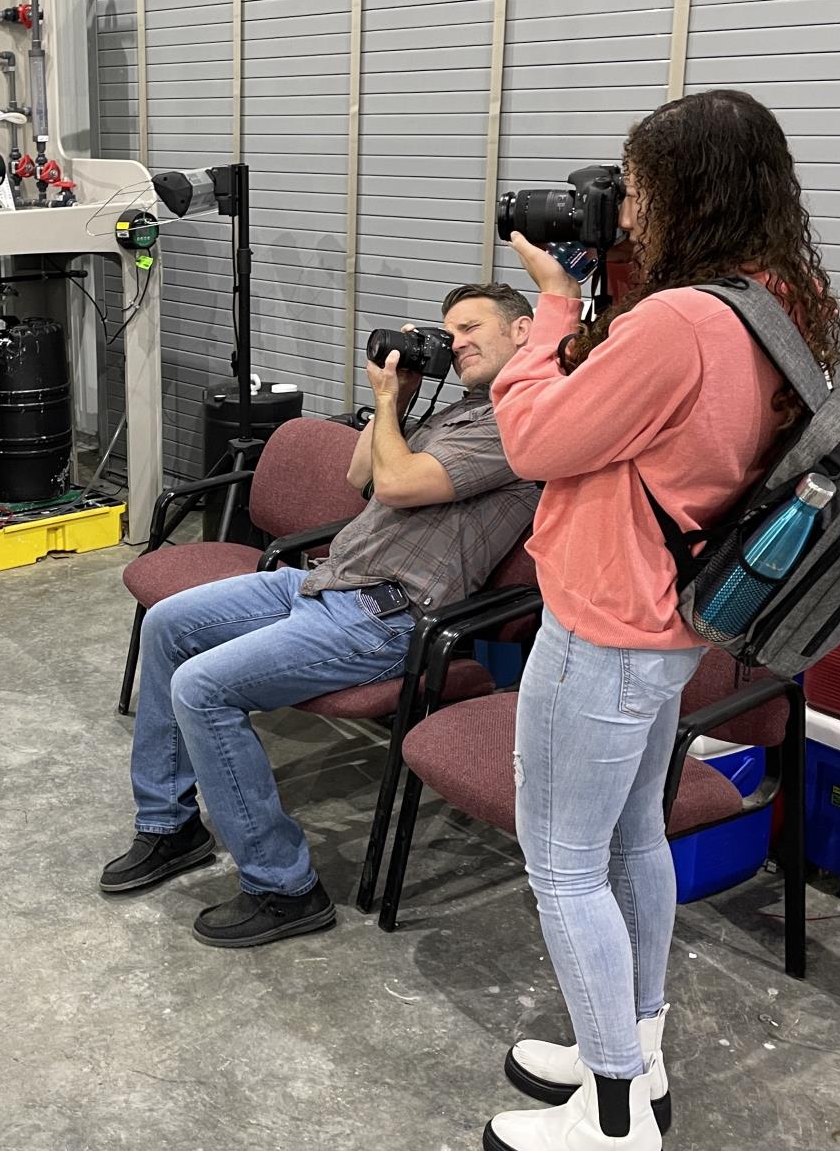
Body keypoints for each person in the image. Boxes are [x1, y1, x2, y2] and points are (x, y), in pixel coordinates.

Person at [483, 89, 840, 1151]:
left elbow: (535, 436)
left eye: (639, 188)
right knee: (633, 833)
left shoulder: (681, 323)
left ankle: (611, 1118)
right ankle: (634, 1055)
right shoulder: (779, 302)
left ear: (688, 191)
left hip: (606, 623)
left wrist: (550, 306)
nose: (626, 210)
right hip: (675, 620)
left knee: (560, 859)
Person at [103, 285, 541, 948]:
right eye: (449, 332)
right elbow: (363, 472)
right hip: (323, 580)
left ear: (524, 332)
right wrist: (401, 395)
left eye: (472, 327)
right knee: (170, 625)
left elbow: (394, 485)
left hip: (385, 616)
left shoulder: (522, 424)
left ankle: (285, 888)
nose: (456, 342)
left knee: (203, 688)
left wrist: (394, 402)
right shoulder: (460, 411)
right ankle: (171, 827)